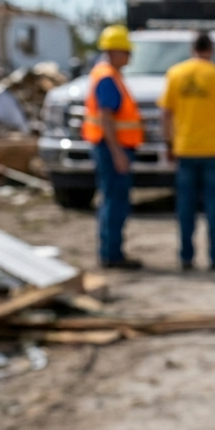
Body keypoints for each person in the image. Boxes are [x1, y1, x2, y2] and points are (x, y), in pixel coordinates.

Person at [159, 31, 215, 271]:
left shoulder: (176, 74)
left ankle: (186, 256)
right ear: (212, 50)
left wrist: (168, 143)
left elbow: (165, 113)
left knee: (185, 207)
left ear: (192, 49)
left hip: (185, 149)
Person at [82, 25, 143, 271]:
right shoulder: (107, 77)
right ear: (114, 51)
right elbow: (107, 118)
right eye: (126, 52)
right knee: (114, 201)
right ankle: (112, 254)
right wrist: (118, 153)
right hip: (112, 149)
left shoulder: (107, 74)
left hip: (109, 147)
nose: (129, 56)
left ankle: (111, 252)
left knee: (113, 199)